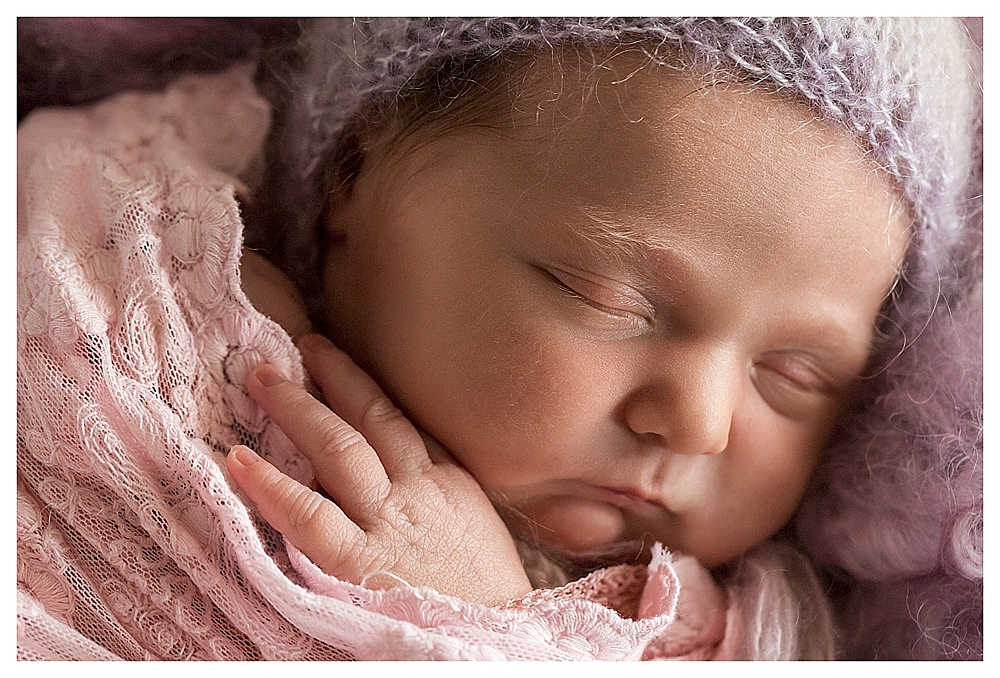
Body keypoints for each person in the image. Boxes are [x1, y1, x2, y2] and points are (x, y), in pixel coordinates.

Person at [16, 18, 982, 660]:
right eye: (605, 295)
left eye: (794, 373)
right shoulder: (119, 271)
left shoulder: (752, 634)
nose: (698, 422)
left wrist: (489, 630)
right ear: (355, 181)